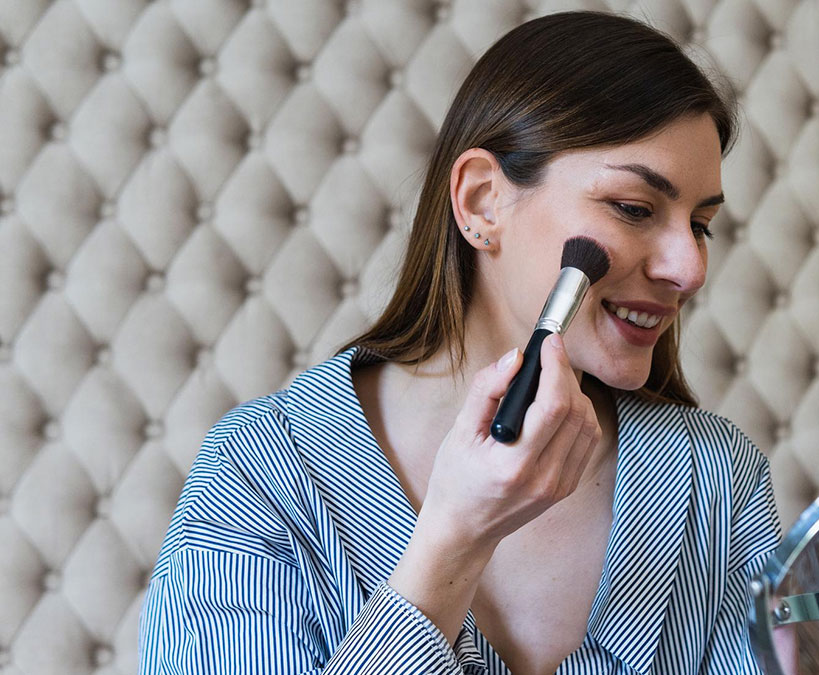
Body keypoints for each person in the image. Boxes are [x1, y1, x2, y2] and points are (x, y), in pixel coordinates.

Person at [139, 10, 781, 675]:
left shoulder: (717, 480)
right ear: (480, 202)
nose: (689, 267)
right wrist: (455, 540)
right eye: (635, 208)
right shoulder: (262, 473)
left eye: (701, 224)